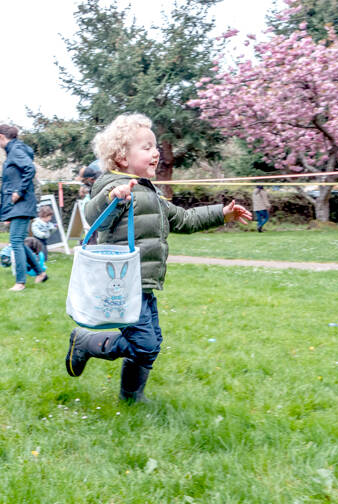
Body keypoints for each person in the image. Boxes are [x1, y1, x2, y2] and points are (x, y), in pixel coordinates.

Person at [65, 113, 252, 402]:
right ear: (122, 157)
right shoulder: (111, 185)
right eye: (147, 147)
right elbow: (94, 217)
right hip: (122, 283)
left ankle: (130, 398)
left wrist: (221, 214)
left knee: (150, 344)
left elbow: (185, 219)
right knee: (144, 343)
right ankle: (85, 342)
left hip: (144, 283)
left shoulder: (150, 193)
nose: (156, 153)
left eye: (155, 147)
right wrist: (114, 198)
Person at [0, 124, 47, 290]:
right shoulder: (15, 150)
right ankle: (40, 272)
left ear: (1, 136)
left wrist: (19, 191)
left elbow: (29, 169)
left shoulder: (16, 150)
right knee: (18, 241)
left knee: (15, 241)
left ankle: (20, 282)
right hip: (21, 204)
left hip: (22, 202)